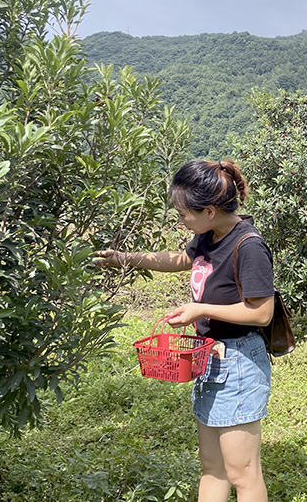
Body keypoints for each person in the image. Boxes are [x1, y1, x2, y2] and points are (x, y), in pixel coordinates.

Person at [96, 159, 274, 502]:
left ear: (209, 210)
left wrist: (201, 308)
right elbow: (179, 260)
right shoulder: (208, 236)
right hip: (209, 356)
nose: (180, 219)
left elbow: (262, 312)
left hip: (238, 361)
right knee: (212, 465)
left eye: (183, 212)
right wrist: (124, 258)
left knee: (242, 472)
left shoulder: (248, 245)